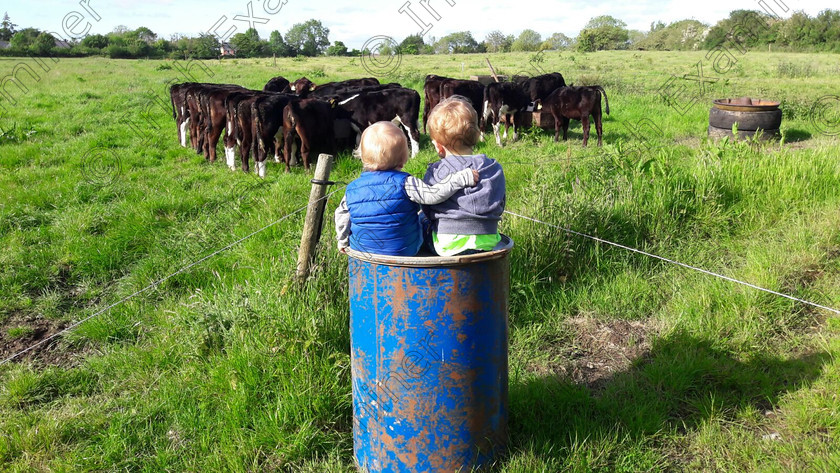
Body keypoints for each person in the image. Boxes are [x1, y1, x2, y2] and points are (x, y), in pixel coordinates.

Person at [335, 121, 480, 256]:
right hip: (404, 250)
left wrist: (342, 241)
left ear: (362, 157)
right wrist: (459, 179)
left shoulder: (352, 189)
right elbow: (434, 195)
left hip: (363, 251)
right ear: (403, 158)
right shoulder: (406, 183)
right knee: (424, 215)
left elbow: (341, 216)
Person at [423, 96, 506, 256]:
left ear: (439, 147)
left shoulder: (436, 170)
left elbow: (427, 206)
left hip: (448, 245)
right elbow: (500, 203)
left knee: (420, 223)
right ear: (476, 136)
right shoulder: (494, 168)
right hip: (489, 240)